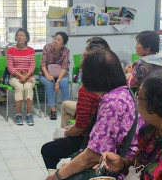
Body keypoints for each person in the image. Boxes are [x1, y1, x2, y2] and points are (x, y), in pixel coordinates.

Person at [44, 48, 144, 180]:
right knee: (63, 164)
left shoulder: (111, 103)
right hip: (121, 165)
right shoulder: (125, 92)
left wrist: (58, 176)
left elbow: (92, 156)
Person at [41, 37, 110, 170]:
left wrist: (67, 133)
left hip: (90, 140)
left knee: (47, 149)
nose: (81, 58)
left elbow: (81, 128)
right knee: (66, 104)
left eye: (84, 55)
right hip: (103, 135)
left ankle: (61, 175)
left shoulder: (87, 88)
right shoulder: (113, 80)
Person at [7, 28, 36, 126]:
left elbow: (32, 66)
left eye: (22, 35)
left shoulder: (31, 50)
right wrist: (20, 76)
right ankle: (18, 115)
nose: (19, 37)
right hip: (15, 77)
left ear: (27, 38)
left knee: (28, 87)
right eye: (18, 35)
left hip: (29, 77)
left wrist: (26, 76)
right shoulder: (11, 50)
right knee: (19, 87)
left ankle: (29, 115)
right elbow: (10, 67)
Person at [39, 32, 70, 120]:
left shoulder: (66, 51)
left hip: (60, 75)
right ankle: (53, 109)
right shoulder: (47, 48)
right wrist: (47, 76)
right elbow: (43, 64)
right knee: (49, 83)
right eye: (55, 38)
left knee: (64, 82)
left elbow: (65, 67)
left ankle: (66, 109)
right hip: (45, 74)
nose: (55, 41)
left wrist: (58, 81)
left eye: (59, 40)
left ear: (63, 44)